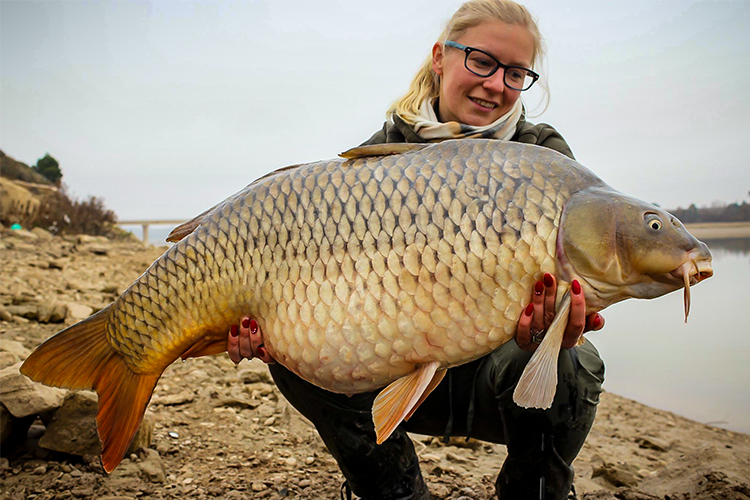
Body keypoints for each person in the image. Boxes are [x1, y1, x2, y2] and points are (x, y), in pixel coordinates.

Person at [228, 1, 605, 498]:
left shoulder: (547, 164)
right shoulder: (377, 162)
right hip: (391, 371)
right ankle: (394, 492)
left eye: (516, 73)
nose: (495, 83)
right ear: (439, 58)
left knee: (574, 364)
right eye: (481, 61)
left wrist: (557, 330)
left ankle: (534, 491)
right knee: (294, 353)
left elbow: (582, 280)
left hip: (499, 380)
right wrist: (273, 327)